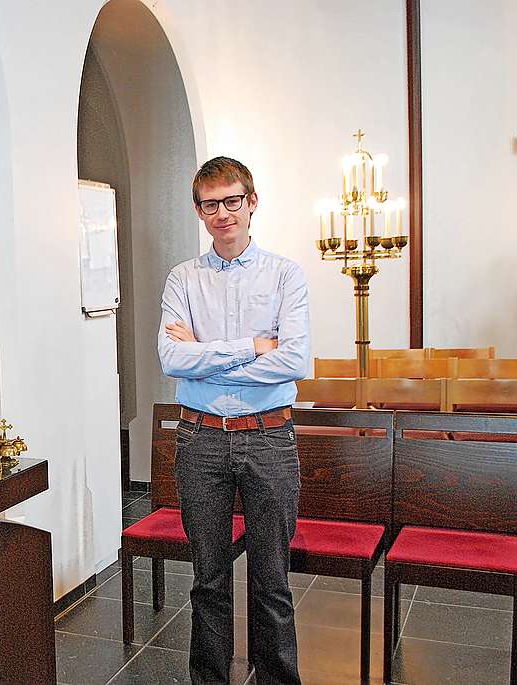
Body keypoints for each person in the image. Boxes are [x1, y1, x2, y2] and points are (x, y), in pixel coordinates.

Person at [157, 156, 310, 685]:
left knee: (272, 581)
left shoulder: (285, 274)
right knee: (208, 580)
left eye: (232, 201)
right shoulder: (183, 278)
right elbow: (171, 360)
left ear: (252, 202)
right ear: (198, 211)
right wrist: (251, 348)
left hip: (268, 437)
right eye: (210, 204)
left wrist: (205, 353)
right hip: (200, 439)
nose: (222, 213)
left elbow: (294, 362)